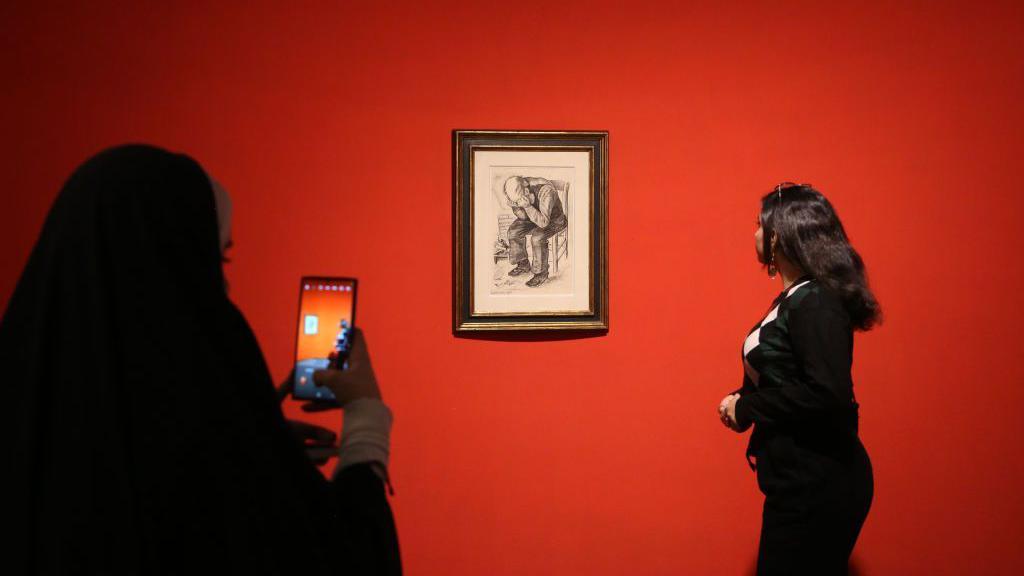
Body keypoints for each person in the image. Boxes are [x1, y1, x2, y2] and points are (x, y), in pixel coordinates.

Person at [4, 144, 400, 575]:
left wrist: (252, 448)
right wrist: (366, 420)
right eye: (217, 259)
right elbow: (340, 557)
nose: (224, 285)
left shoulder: (28, 422)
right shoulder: (198, 456)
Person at [718, 182, 880, 575]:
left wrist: (749, 406)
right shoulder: (796, 299)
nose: (754, 233)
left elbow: (827, 393)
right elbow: (788, 376)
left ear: (780, 235)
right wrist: (741, 403)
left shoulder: (815, 301)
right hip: (797, 481)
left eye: (760, 225)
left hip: (819, 482)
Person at [502, 176, 567, 287]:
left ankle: (540, 274)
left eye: (518, 201)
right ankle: (523, 264)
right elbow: (523, 217)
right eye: (516, 202)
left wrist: (527, 206)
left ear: (527, 191)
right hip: (533, 217)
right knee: (513, 231)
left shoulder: (546, 191)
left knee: (537, 237)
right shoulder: (519, 189)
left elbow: (543, 223)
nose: (518, 203)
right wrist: (516, 207)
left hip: (555, 220)